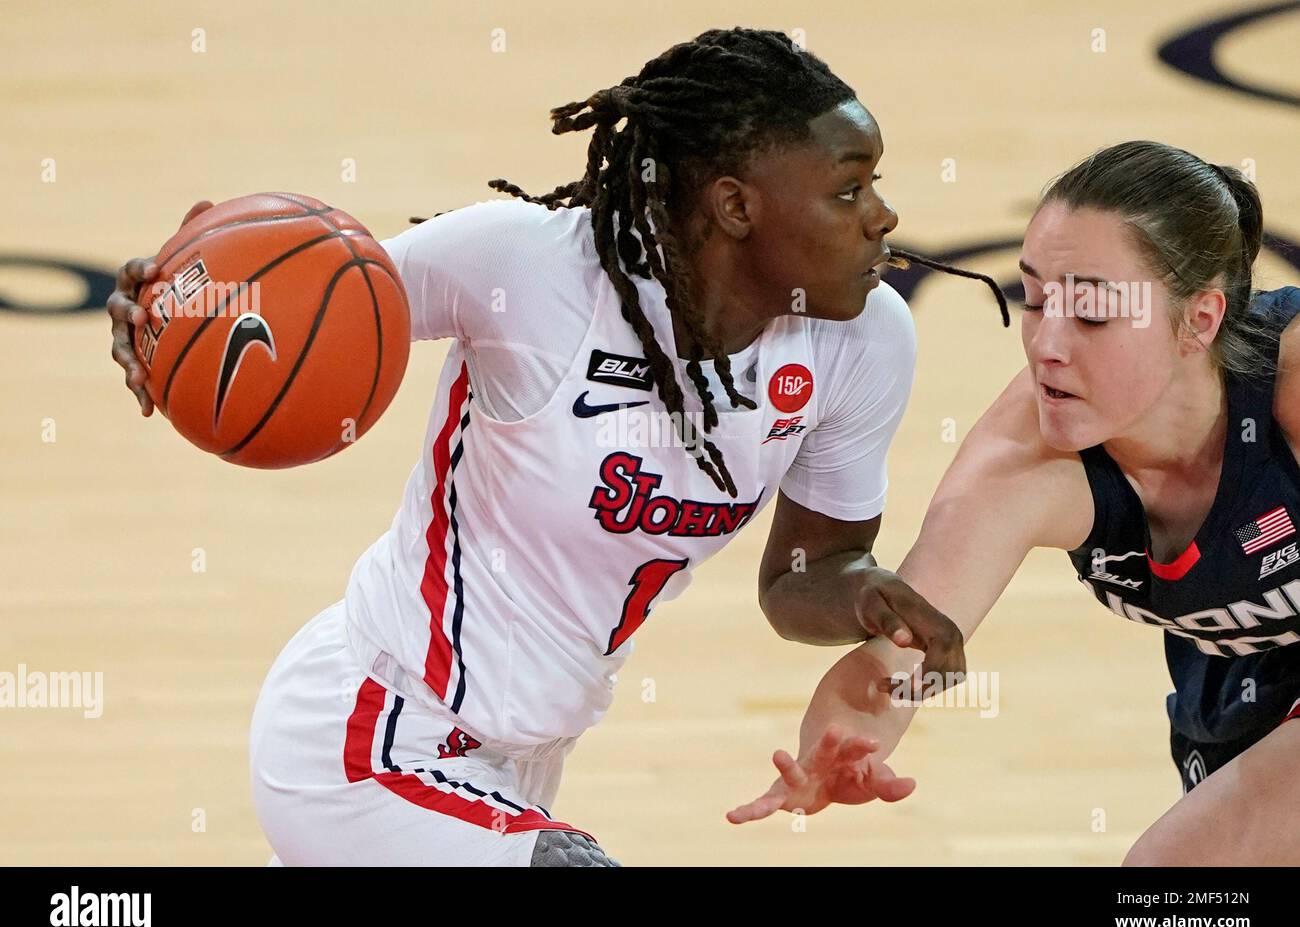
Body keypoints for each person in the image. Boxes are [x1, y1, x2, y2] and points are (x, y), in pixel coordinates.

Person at [106, 28, 1003, 866]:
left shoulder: (863, 341)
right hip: (369, 731)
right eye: (849, 191)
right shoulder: (533, 270)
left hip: (524, 763)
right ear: (735, 206)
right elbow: (311, 298)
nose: (882, 216)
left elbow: (805, 575)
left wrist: (870, 599)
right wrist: (174, 312)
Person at [731, 140, 1300, 865]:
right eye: (1034, 298)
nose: (1047, 345)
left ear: (1200, 320)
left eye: (1091, 313)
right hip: (1238, 687)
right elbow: (899, 657)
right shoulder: (1024, 464)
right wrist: (850, 736)